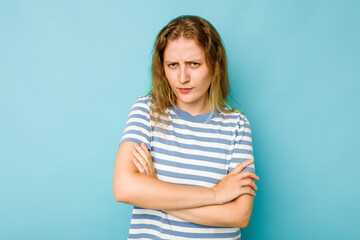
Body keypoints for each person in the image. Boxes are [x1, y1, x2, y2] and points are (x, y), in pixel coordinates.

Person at [113, 15, 259, 240]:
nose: (182, 77)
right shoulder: (147, 110)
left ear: (215, 64)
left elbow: (239, 215)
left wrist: (154, 190)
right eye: (172, 65)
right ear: (162, 68)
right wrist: (215, 194)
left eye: (194, 64)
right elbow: (124, 188)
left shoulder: (237, 125)